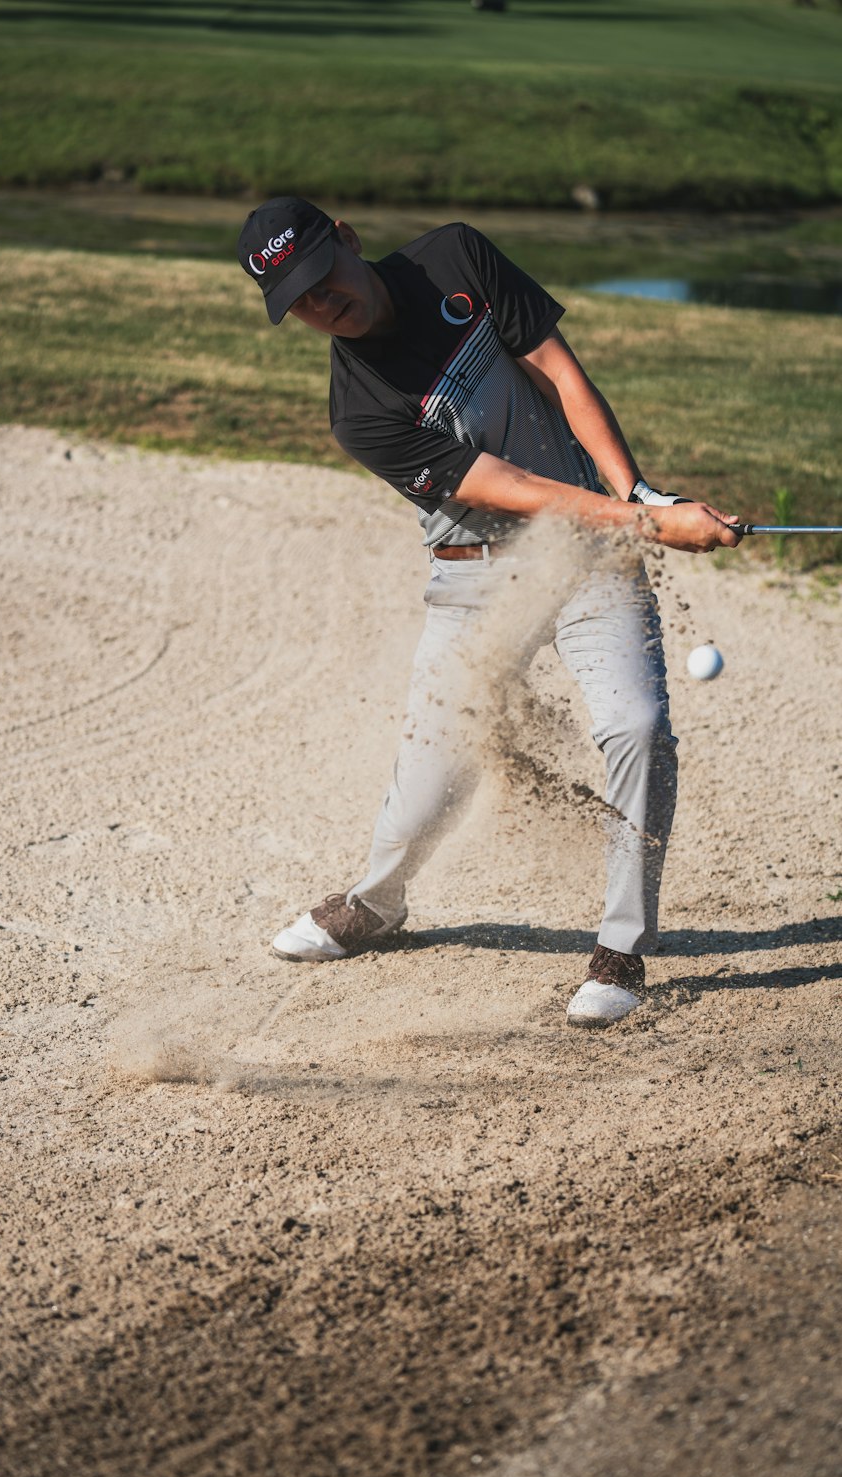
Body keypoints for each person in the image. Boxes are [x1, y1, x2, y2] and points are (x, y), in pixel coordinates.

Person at [237, 197, 740, 1027]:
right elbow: (513, 490)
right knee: (428, 788)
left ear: (349, 242)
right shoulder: (359, 411)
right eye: (300, 303)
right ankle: (376, 903)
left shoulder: (454, 260)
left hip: (589, 553)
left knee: (638, 724)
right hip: (477, 580)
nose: (324, 305)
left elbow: (559, 372)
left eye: (324, 277)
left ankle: (622, 946)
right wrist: (650, 523)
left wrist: (639, 492)